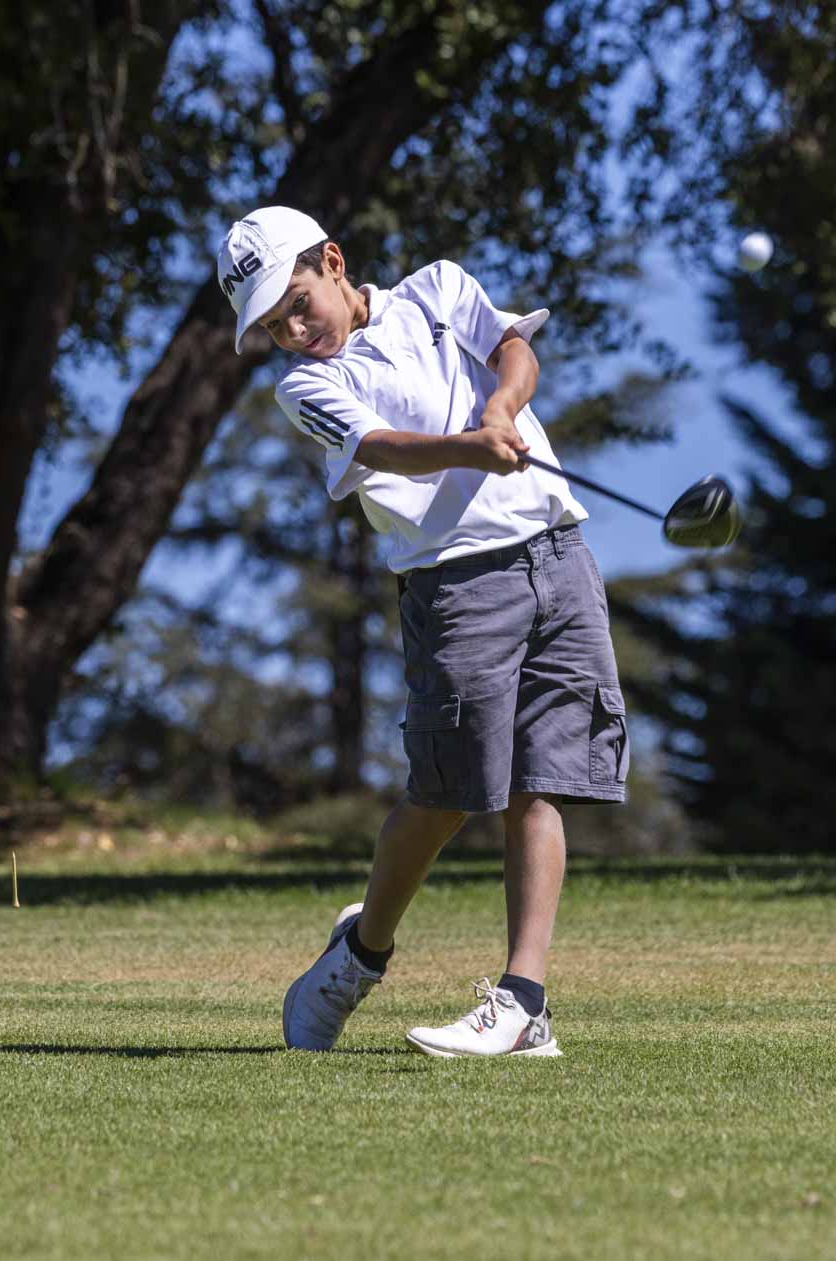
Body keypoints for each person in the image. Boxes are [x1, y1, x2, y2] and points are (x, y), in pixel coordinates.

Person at [216, 206, 629, 1057]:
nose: (294, 331)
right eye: (274, 325)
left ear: (334, 263)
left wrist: (504, 405)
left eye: (298, 304)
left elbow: (514, 349)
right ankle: (360, 954)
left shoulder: (437, 289)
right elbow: (384, 447)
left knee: (541, 783)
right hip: (456, 585)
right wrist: (472, 446)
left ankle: (524, 1003)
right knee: (446, 793)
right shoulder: (304, 388)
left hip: (559, 554)